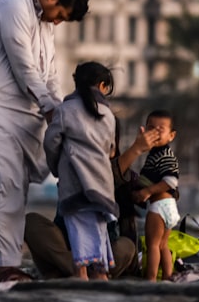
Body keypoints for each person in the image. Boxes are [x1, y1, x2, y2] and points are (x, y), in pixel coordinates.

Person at [0, 0, 90, 283]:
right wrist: (49, 110)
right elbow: (25, 69)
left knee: (19, 183)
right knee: (4, 181)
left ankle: (12, 263)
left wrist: (61, 113)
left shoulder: (44, 23)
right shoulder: (13, 6)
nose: (58, 23)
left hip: (21, 111)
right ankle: (4, 267)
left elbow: (50, 76)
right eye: (60, 15)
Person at [25, 117, 163, 279]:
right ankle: (74, 268)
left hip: (104, 255)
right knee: (31, 222)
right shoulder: (72, 165)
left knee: (126, 247)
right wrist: (135, 150)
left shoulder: (127, 176)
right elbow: (94, 180)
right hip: (67, 247)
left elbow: (110, 177)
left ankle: (80, 271)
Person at [42, 62, 119, 280]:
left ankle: (81, 274)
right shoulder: (108, 114)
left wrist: (57, 165)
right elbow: (110, 149)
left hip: (74, 184)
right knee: (98, 231)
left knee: (78, 235)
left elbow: (51, 142)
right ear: (102, 86)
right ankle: (100, 275)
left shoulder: (66, 110)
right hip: (102, 185)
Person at [133, 110, 180, 281]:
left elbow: (171, 181)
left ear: (171, 136)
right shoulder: (155, 154)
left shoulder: (164, 155)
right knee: (163, 245)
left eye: (160, 130)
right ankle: (168, 276)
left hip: (159, 206)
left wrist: (147, 191)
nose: (155, 132)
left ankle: (151, 278)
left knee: (152, 244)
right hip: (169, 207)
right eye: (151, 128)